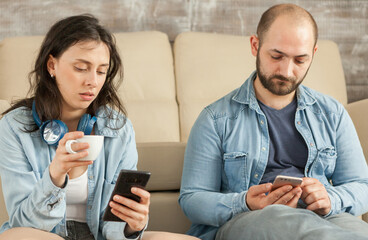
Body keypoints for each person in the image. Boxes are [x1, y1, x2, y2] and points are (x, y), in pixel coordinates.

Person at [179, 3, 368, 240]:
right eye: (276, 56)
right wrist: (244, 202)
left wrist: (330, 199)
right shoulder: (216, 119)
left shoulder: (332, 114)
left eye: (300, 60)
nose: (286, 71)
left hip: (323, 218)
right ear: (255, 45)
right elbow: (192, 198)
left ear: (314, 54)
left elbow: (361, 185)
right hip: (248, 219)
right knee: (289, 224)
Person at [0, 14, 198, 240]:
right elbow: (23, 224)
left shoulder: (118, 128)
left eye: (101, 71)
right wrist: (54, 176)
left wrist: (132, 225)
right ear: (51, 65)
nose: (92, 81)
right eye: (81, 68)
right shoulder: (15, 127)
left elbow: (114, 231)